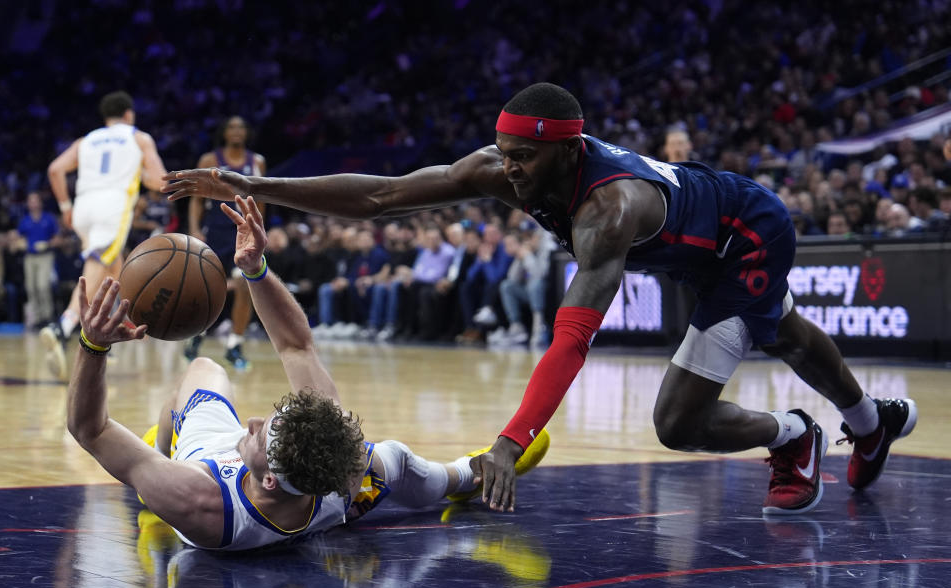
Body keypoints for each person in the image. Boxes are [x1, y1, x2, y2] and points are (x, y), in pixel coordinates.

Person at [163, 82, 916, 516]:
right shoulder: (505, 166)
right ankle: (866, 423)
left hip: (748, 238)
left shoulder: (608, 211)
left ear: (569, 149)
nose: (511, 171)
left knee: (676, 419)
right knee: (781, 329)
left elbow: (570, 342)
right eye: (506, 153)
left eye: (526, 158)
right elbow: (386, 194)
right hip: (703, 234)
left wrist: (509, 441)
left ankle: (794, 435)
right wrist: (259, 185)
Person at [66, 194, 549, 551]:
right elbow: (296, 344)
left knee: (200, 370)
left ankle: (160, 445)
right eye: (272, 420)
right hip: (305, 499)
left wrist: (92, 345)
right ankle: (474, 473)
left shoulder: (196, 499)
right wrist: (254, 269)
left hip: (205, 466)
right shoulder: (341, 471)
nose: (253, 421)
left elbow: (90, 429)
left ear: (270, 480)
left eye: (262, 434)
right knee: (391, 460)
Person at [41, 90, 167, 378]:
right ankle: (63, 324)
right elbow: (159, 181)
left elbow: (55, 170)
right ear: (129, 114)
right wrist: (141, 175)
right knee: (97, 266)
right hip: (112, 208)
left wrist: (65, 206)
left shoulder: (86, 140)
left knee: (113, 269)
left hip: (83, 207)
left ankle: (93, 343)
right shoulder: (138, 137)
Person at [185, 116, 267, 371]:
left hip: (242, 234)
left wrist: (259, 231)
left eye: (241, 126)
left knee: (245, 286)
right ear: (224, 132)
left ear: (247, 133)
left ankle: (234, 344)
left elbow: (261, 201)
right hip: (215, 233)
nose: (236, 131)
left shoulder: (257, 162)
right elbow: (196, 200)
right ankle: (196, 336)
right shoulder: (210, 160)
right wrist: (195, 229)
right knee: (207, 290)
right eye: (231, 126)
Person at [14, 192, 60, 328]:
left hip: (45, 256)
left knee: (42, 286)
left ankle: (47, 317)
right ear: (28, 204)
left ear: (40, 202)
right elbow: (17, 237)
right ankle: (36, 319)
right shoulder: (25, 220)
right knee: (31, 287)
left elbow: (58, 239)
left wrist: (48, 244)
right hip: (29, 257)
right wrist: (20, 243)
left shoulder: (49, 218)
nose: (33, 204)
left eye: (35, 201)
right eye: (30, 201)